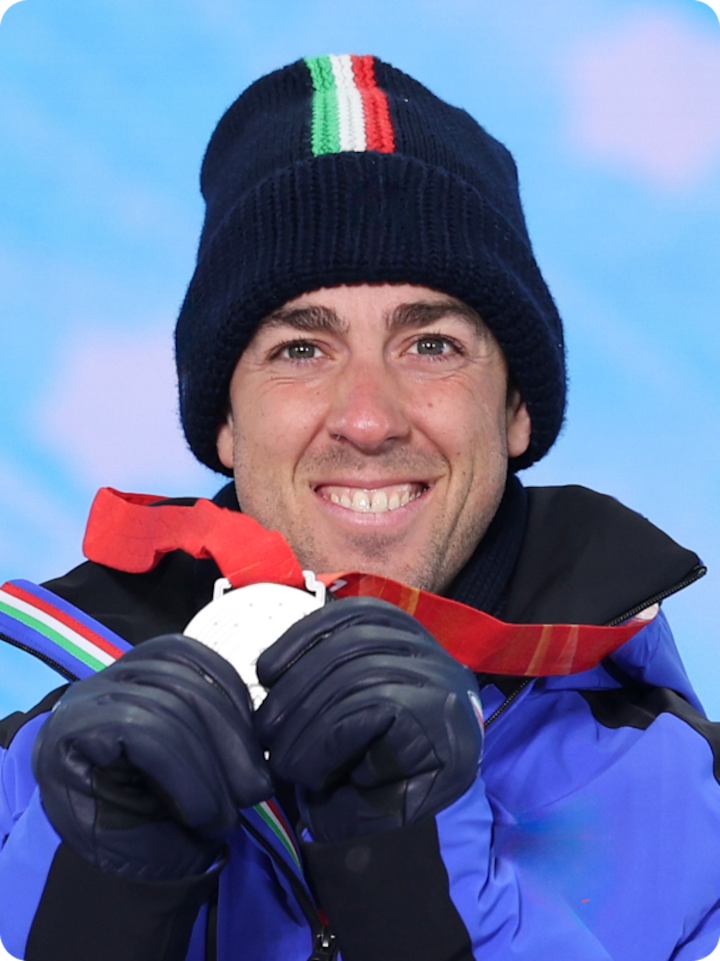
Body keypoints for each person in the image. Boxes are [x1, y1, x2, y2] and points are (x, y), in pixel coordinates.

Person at [0, 54, 718, 961]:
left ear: (517, 408)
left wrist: (424, 892)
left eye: (430, 342)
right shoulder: (35, 783)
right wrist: (91, 904)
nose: (369, 418)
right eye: (302, 348)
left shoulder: (693, 811)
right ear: (223, 418)